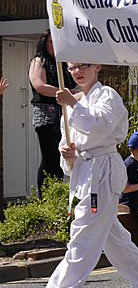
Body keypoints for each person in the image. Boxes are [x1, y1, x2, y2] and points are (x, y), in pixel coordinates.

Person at [31, 62, 138, 288]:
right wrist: (67, 155)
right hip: (85, 174)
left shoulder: (107, 96)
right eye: (72, 67)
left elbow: (100, 127)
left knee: (84, 233)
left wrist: (72, 104)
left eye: (83, 65)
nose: (77, 71)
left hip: (103, 173)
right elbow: (67, 150)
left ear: (97, 66)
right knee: (109, 235)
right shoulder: (69, 104)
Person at [28, 29, 77, 194]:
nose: (54, 47)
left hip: (64, 114)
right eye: (51, 43)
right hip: (46, 115)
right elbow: (40, 86)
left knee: (62, 157)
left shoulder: (64, 64)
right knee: (50, 157)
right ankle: (45, 198)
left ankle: (57, 196)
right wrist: (64, 93)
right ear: (44, 43)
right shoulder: (38, 61)